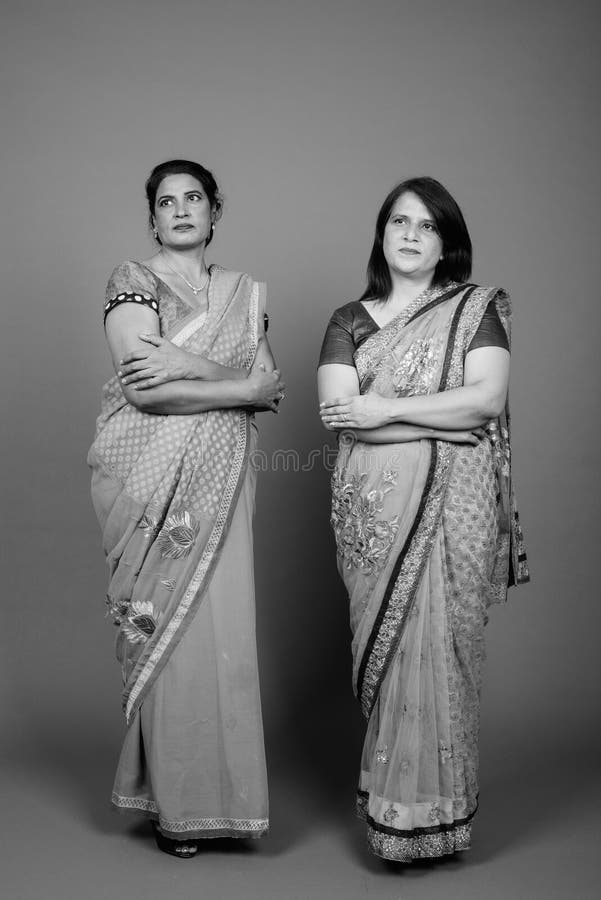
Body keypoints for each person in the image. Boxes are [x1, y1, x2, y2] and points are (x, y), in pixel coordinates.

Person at [318, 177, 529, 863]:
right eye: (397, 222)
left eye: (426, 225)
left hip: (454, 510)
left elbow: (486, 399)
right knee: (392, 654)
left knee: (447, 651)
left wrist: (385, 411)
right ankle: (393, 815)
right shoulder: (348, 319)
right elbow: (339, 415)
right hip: (375, 507)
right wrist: (431, 417)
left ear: (446, 243)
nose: (409, 235)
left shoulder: (474, 310)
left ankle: (439, 818)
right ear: (380, 234)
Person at [88, 159, 284, 858]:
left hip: (223, 475)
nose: (179, 210)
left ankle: (226, 805)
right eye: (165, 202)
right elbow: (145, 390)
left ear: (213, 209)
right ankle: (176, 804)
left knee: (221, 634)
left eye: (192, 198)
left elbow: (271, 389)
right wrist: (238, 382)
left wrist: (194, 367)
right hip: (149, 480)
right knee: (169, 636)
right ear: (151, 218)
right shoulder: (132, 280)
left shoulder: (240, 291)